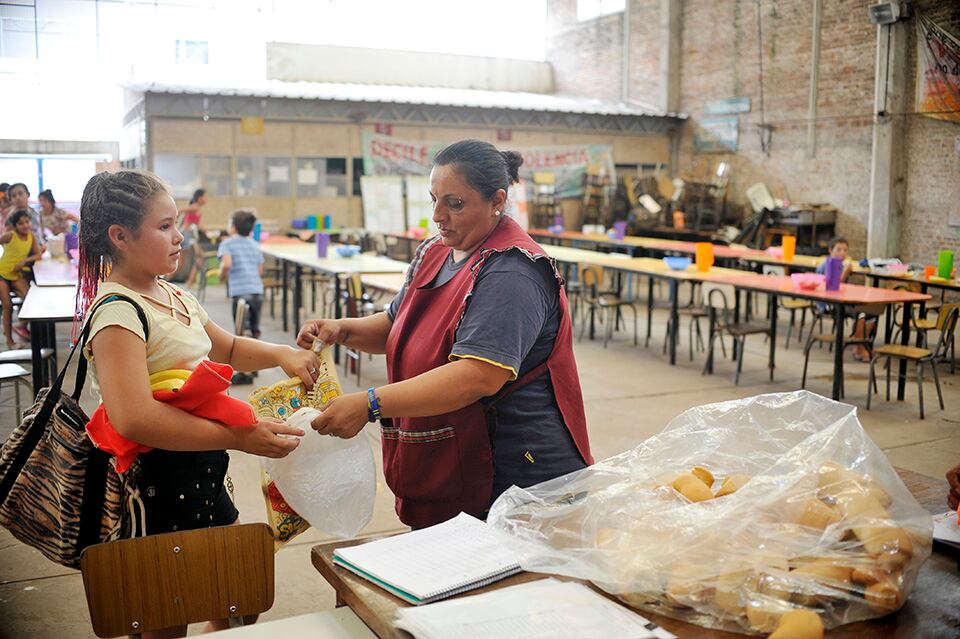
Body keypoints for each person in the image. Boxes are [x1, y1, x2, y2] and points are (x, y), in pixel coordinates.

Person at [297, 139, 593, 529]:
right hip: (456, 456)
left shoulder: (512, 272)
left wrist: (370, 404)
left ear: (497, 200)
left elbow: (477, 375)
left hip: (517, 475)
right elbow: (399, 323)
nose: (438, 215)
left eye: (454, 204)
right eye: (434, 200)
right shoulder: (436, 251)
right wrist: (343, 329)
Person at [78, 170, 319, 638]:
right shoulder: (117, 312)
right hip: (156, 489)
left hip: (204, 474)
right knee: (166, 620)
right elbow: (134, 418)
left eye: (177, 224)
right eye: (165, 226)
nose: (180, 237)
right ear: (120, 236)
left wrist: (280, 354)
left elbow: (229, 348)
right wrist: (240, 437)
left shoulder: (174, 296)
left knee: (239, 595)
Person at [816, 236, 875, 362]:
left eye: (845, 250)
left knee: (872, 312)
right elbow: (831, 288)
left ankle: (860, 343)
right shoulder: (827, 265)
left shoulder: (841, 265)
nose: (842, 253)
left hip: (842, 301)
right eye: (838, 250)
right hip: (829, 303)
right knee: (861, 313)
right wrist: (846, 272)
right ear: (830, 250)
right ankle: (859, 347)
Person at [218, 209, 264, 339]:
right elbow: (260, 271)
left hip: (240, 294)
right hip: (257, 293)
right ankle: (255, 345)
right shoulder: (255, 245)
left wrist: (221, 275)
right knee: (254, 331)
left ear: (233, 227)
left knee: (241, 332)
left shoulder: (227, 244)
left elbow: (227, 264)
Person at [0, 209, 42, 348]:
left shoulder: (31, 237)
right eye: (21, 223)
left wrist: (24, 261)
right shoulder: (10, 235)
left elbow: (38, 255)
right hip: (2, 274)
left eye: (27, 222)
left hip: (16, 275)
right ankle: (10, 342)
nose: (25, 225)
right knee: (7, 306)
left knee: (30, 297)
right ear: (15, 226)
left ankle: (21, 325)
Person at [179, 189, 207, 288]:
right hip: (187, 235)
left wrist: (207, 231)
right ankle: (190, 282)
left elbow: (198, 224)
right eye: (205, 196)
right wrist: (174, 221)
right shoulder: (195, 207)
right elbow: (180, 210)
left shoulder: (197, 208)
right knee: (200, 257)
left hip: (189, 235)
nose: (206, 199)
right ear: (199, 198)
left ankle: (190, 282)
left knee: (181, 262)